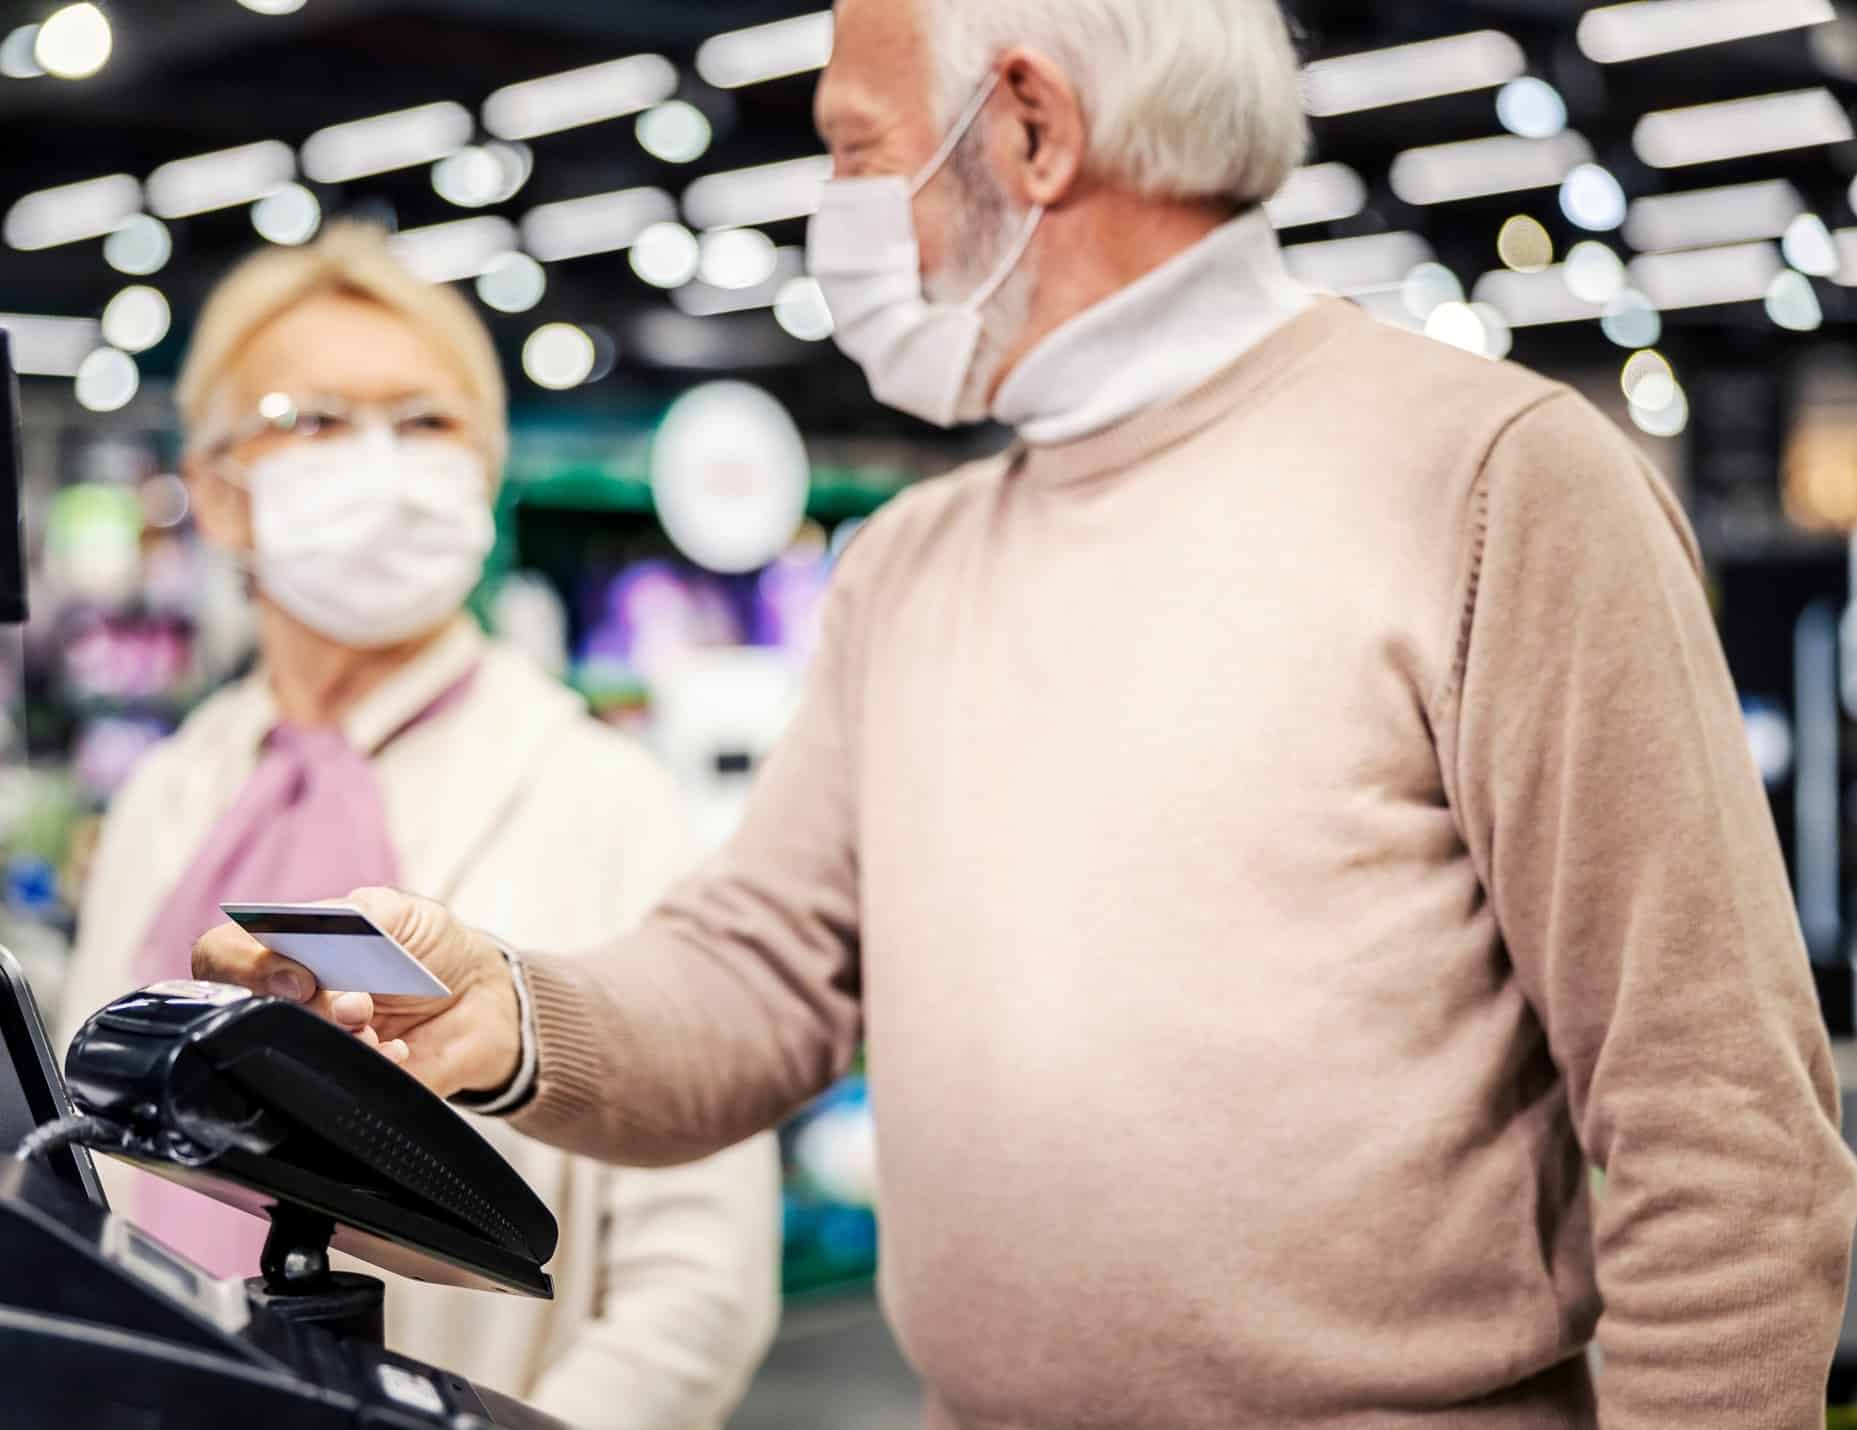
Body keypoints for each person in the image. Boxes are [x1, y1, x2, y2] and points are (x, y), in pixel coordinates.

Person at [194, 2, 1857, 1426]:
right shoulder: (917, 562)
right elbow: (766, 967)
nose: (830, 210)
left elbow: (1719, 1134)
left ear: (1034, 131)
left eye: (855, 149)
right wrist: (517, 1014)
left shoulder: (1493, 484)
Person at [57, 224, 780, 1430]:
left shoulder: (599, 792)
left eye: (428, 421)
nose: (380, 460)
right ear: (223, 491)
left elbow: (698, 1275)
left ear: (483, 471)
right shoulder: (173, 792)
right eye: (317, 418)